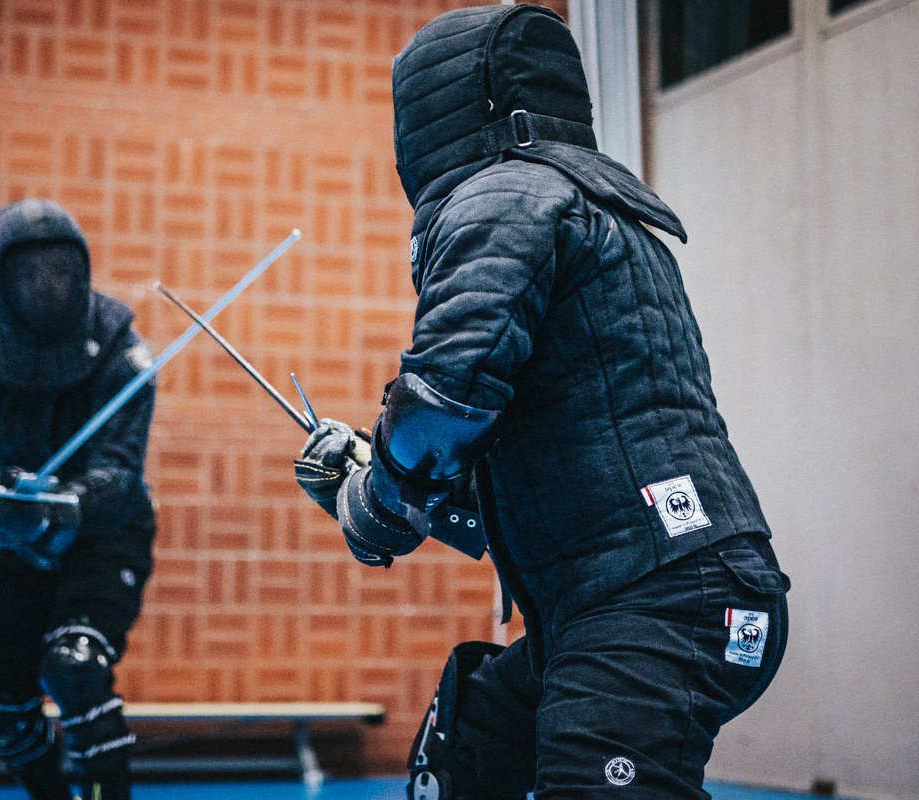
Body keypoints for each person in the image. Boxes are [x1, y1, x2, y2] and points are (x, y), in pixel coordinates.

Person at [293, 6, 790, 799]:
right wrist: (375, 466)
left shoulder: (508, 195)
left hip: (655, 601)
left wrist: (375, 502)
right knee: (474, 741)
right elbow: (537, 458)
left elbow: (445, 401)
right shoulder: (592, 209)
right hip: (653, 593)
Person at [0, 198, 157, 800]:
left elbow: (120, 472)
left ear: (83, 272)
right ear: (1, 277)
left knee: (76, 666)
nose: (48, 286)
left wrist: (61, 504)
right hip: (18, 535)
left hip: (104, 535)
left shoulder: (120, 345)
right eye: (30, 274)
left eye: (61, 272)